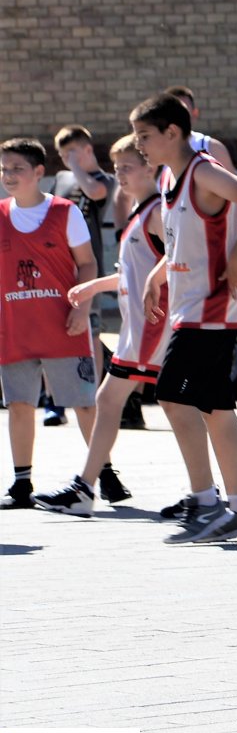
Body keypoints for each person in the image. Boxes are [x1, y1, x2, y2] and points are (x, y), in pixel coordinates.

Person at [130, 92, 237, 543]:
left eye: (145, 136)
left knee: (172, 395)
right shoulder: (172, 178)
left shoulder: (203, 170)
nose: (139, 145)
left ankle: (206, 501)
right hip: (190, 307)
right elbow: (183, 239)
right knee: (215, 408)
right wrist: (158, 272)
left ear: (172, 133)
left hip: (210, 309)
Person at [33, 136, 172, 515]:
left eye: (127, 167)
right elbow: (133, 273)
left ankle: (207, 493)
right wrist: (96, 285)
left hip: (155, 330)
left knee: (177, 407)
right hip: (140, 331)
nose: (119, 175)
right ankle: (87, 486)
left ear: (151, 167)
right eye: (116, 168)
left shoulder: (159, 212)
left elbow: (183, 260)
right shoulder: (140, 214)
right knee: (122, 402)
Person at [0, 138, 99, 509]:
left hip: (63, 323)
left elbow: (87, 264)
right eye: (4, 168)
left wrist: (81, 305)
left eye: (17, 169)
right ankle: (22, 484)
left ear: (39, 172)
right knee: (20, 404)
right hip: (15, 326)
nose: (8, 175)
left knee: (83, 404)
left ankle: (100, 472)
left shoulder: (64, 212)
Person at [50, 125, 115, 428]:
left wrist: (76, 165)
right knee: (53, 330)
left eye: (71, 152)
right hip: (57, 267)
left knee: (92, 331)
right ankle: (55, 401)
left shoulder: (104, 180)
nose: (66, 160)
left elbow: (95, 193)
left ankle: (94, 396)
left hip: (89, 267)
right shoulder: (61, 179)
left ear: (87, 150)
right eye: (62, 155)